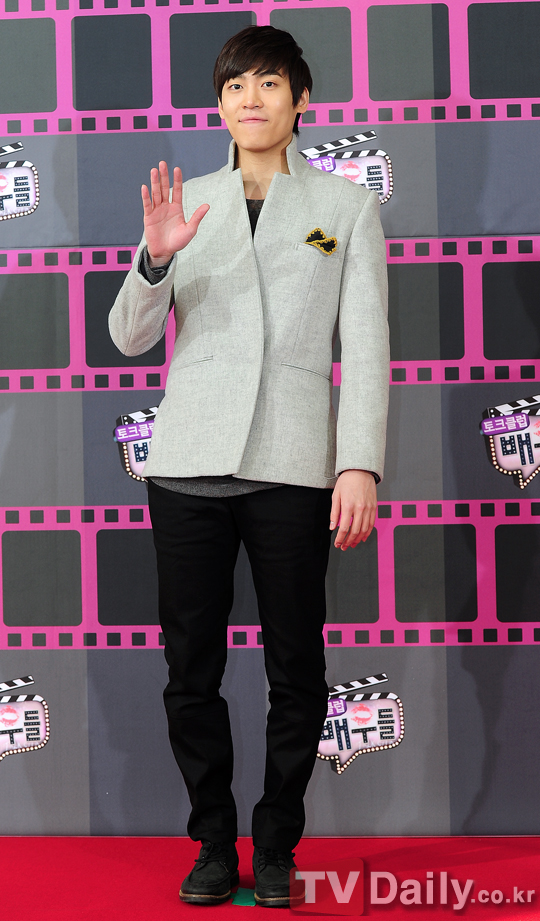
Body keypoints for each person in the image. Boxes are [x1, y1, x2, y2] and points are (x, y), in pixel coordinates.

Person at [109, 24, 389, 909]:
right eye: (235, 85)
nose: (251, 98)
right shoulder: (186, 202)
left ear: (300, 99)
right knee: (190, 668)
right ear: (220, 104)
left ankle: (274, 842)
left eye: (269, 82)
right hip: (187, 464)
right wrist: (157, 258)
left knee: (295, 668)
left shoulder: (345, 207)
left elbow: (367, 348)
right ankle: (211, 840)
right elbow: (129, 337)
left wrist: (359, 463)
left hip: (293, 465)